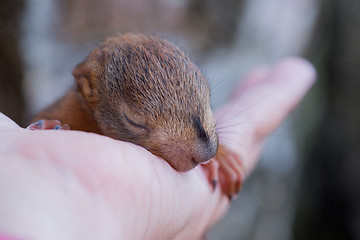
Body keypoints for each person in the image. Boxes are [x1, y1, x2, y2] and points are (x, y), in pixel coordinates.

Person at [0, 57, 315, 240]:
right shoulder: (66, 118)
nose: (200, 155)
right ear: (90, 92)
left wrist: (217, 150)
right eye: (139, 123)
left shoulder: (200, 141)